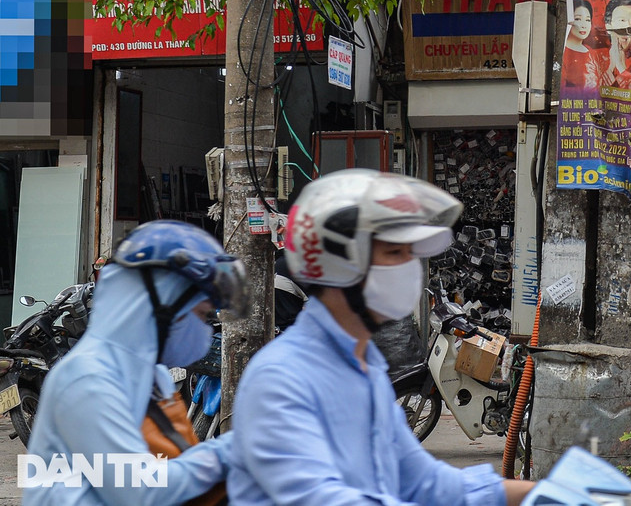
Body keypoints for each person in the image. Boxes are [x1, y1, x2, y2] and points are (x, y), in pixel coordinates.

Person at [228, 169, 537, 506]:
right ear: (340, 265)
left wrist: (536, 494)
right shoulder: (283, 378)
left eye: (410, 254)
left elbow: (423, 482)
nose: (409, 268)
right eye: (394, 254)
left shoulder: (365, 368)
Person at [25, 220, 246, 505]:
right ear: (161, 305)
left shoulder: (154, 376)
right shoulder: (86, 379)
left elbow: (179, 469)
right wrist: (234, 451)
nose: (204, 329)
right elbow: (141, 491)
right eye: (201, 314)